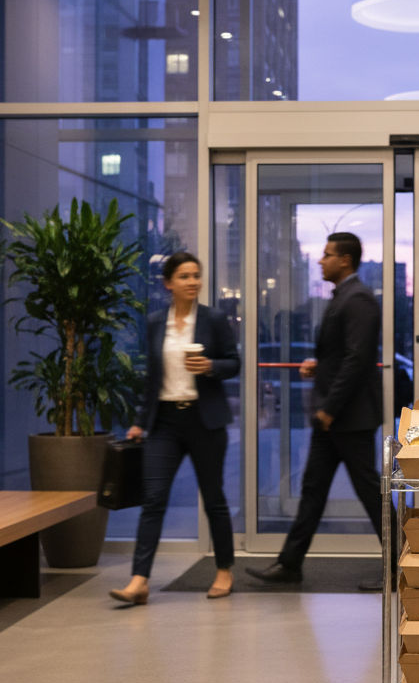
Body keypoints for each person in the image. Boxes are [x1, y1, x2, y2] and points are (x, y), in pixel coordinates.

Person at [246, 232, 394, 591]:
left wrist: (329, 408)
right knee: (313, 489)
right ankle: (289, 564)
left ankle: (401, 567)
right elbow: (342, 355)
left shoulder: (358, 299)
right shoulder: (345, 296)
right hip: (335, 419)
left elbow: (358, 361)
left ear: (345, 260)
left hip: (347, 418)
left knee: (371, 493)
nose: (320, 261)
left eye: (327, 255)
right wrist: (319, 365)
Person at [110, 252, 240, 604]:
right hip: (165, 422)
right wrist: (140, 421)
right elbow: (152, 378)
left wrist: (210, 366)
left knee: (213, 499)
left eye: (196, 275)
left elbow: (234, 362)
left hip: (205, 420)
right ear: (168, 283)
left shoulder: (213, 319)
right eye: (184, 276)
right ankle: (139, 581)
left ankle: (225, 570)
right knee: (153, 500)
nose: (193, 282)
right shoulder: (155, 322)